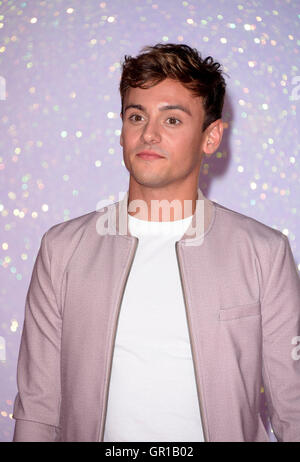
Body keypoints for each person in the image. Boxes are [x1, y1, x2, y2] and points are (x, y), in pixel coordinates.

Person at [12, 43, 300, 442]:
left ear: (211, 136)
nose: (148, 133)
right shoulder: (62, 250)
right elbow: (37, 409)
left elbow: (294, 410)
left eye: (173, 120)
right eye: (137, 116)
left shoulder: (264, 253)